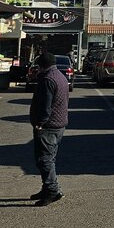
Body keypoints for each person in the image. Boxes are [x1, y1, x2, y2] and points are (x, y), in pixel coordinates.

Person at [29, 52, 69, 205]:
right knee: (49, 158)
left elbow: (45, 105)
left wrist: (40, 122)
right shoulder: (59, 76)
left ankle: (52, 190)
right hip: (59, 123)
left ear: (42, 65)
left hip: (49, 126)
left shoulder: (48, 80)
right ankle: (47, 187)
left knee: (45, 160)